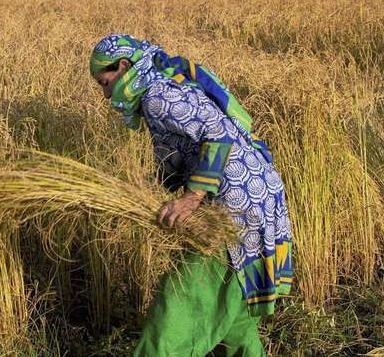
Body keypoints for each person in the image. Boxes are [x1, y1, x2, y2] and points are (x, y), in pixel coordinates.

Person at [90, 34, 293, 356]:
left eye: (104, 82)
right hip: (252, 196)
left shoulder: (158, 95)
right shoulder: (163, 87)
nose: (105, 94)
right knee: (231, 308)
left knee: (177, 309)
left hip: (233, 208)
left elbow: (218, 136)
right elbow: (187, 148)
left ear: (124, 66)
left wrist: (191, 198)